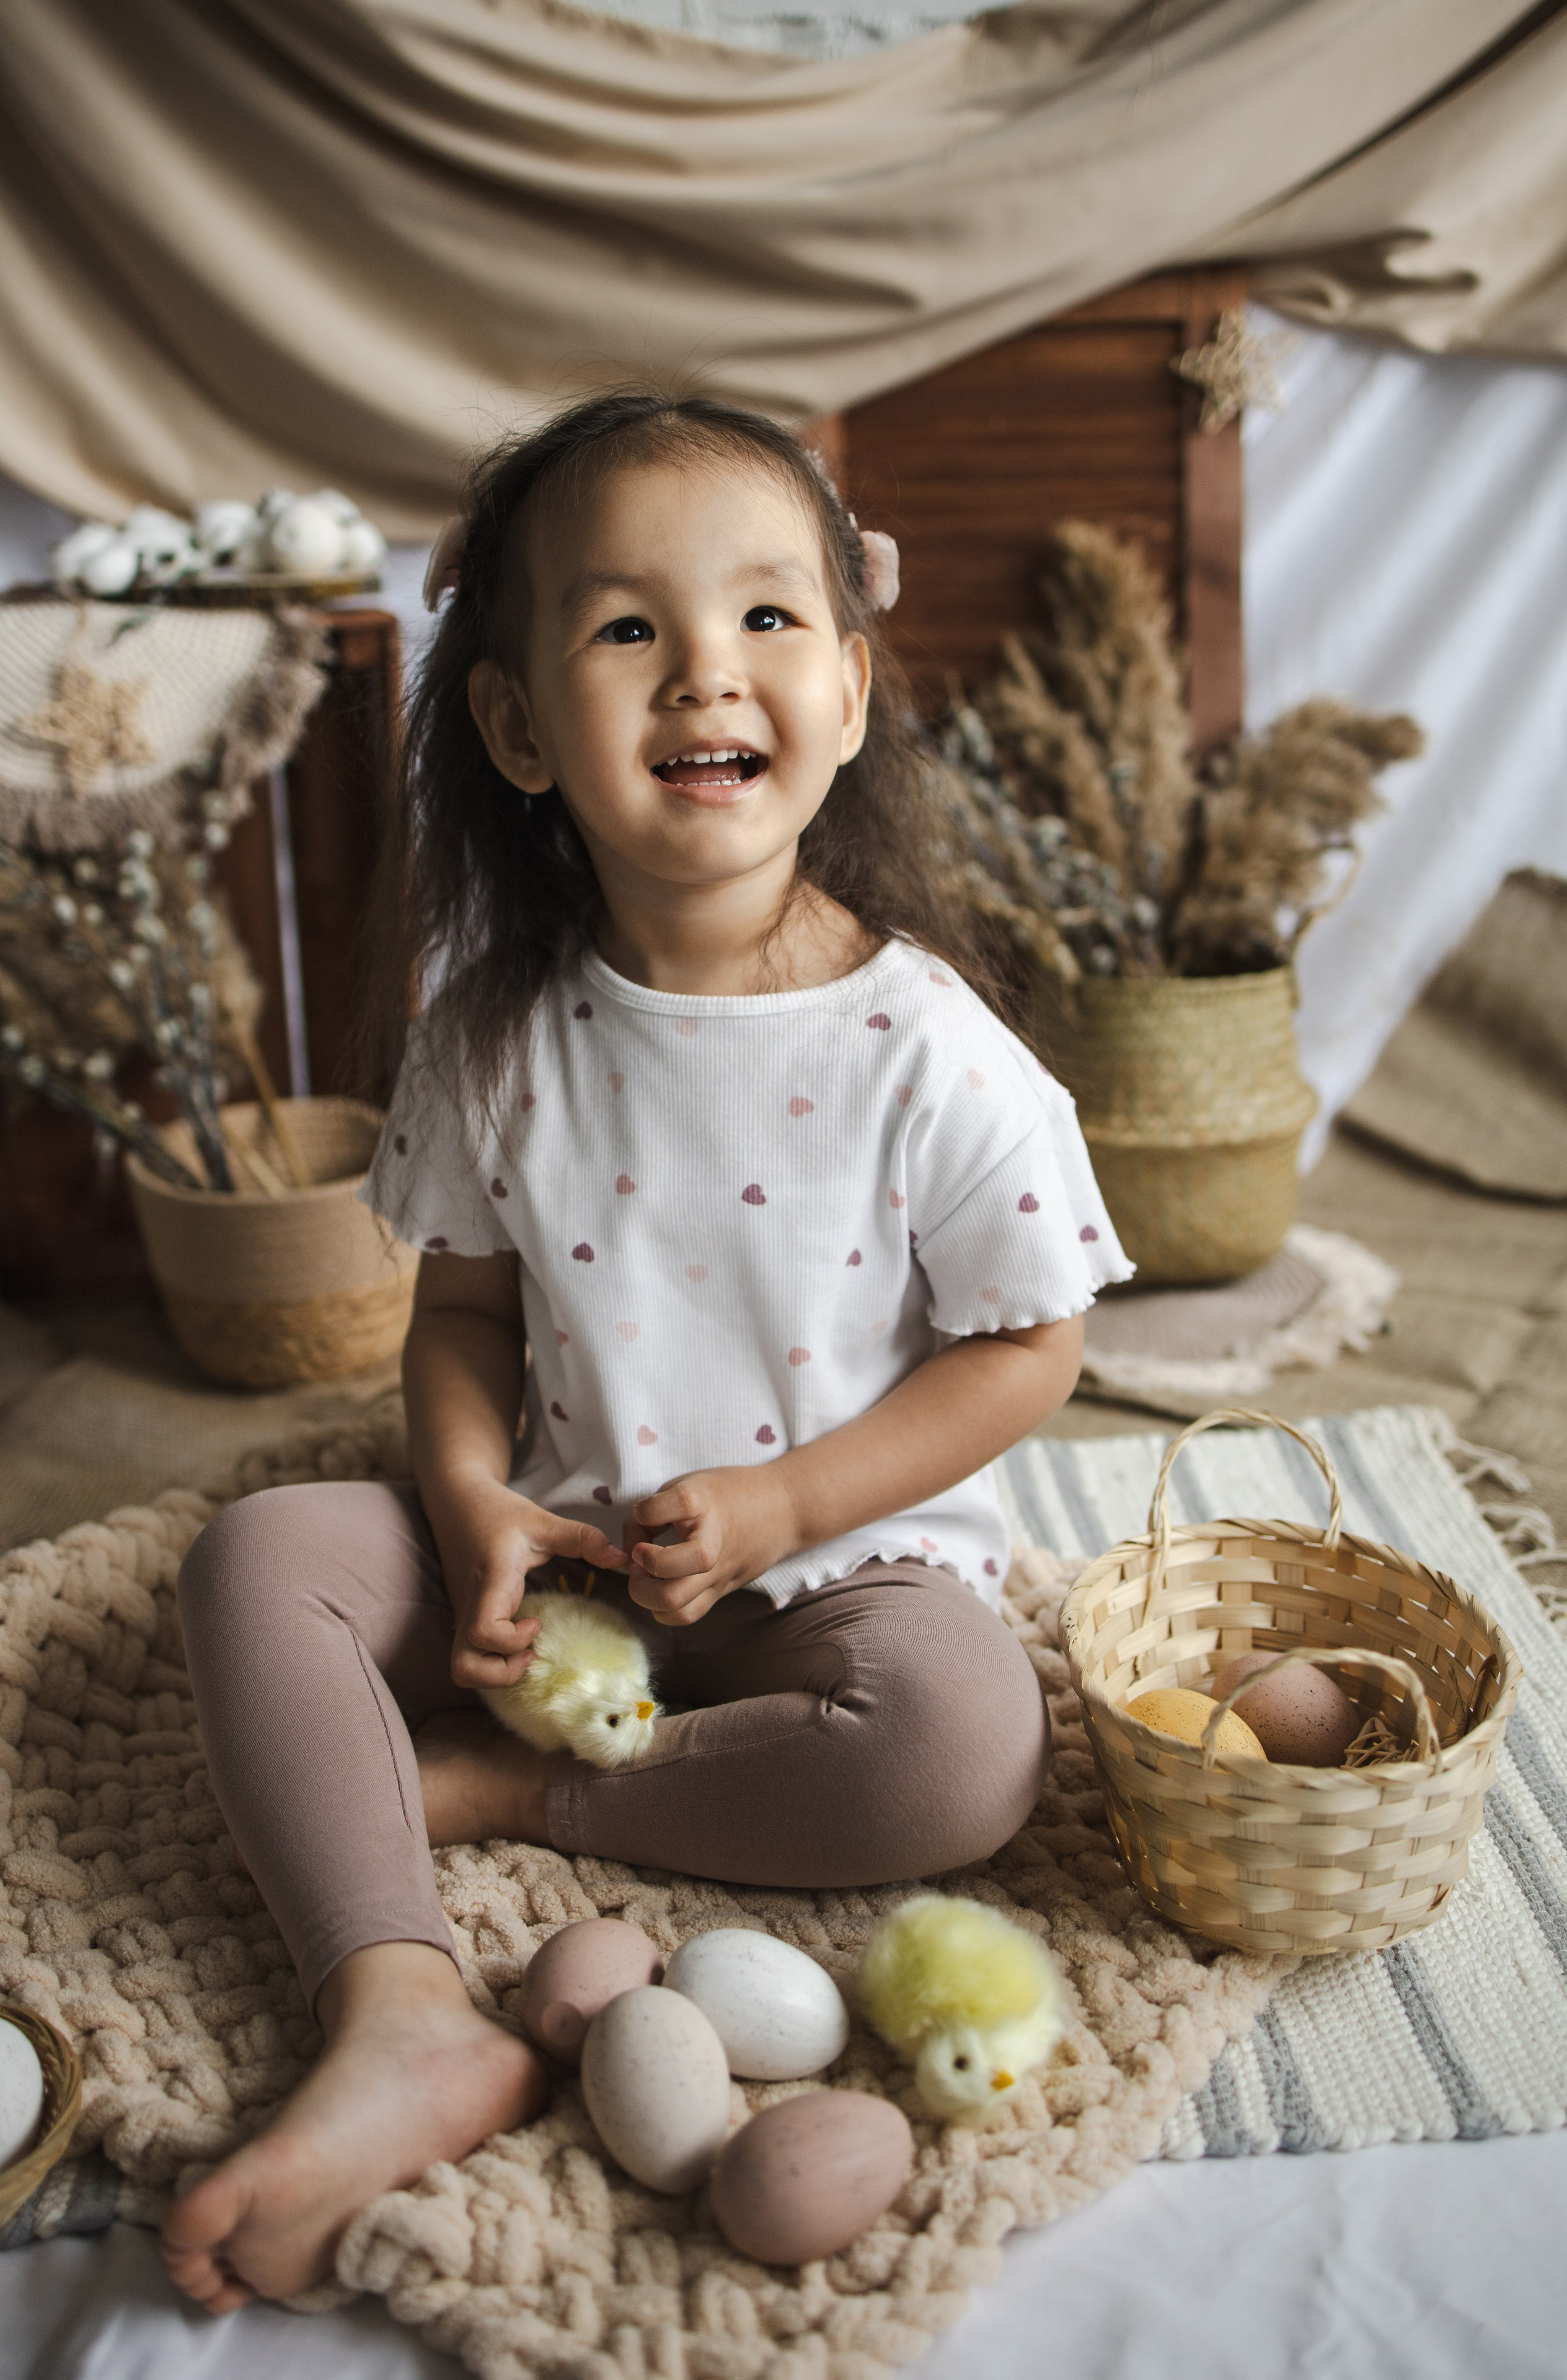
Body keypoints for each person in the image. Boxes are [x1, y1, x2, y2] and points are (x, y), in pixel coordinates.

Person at [160, 390, 1131, 2312]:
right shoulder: (496, 1032)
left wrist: (789, 1502)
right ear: (520, 727)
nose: (708, 672)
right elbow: (461, 1312)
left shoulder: (923, 1050)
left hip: (835, 1580)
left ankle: (512, 1799)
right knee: (253, 1565)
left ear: (848, 693)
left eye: (770, 621)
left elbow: (1031, 1347)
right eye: (628, 630)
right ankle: (402, 2001)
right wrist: (469, 1495)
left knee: (966, 1751)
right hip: (566, 1557)